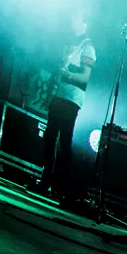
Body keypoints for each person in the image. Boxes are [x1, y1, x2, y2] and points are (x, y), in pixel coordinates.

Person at [37, 13, 96, 200]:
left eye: (76, 19)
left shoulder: (88, 48)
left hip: (71, 99)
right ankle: (46, 181)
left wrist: (66, 74)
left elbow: (85, 77)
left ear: (85, 24)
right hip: (60, 95)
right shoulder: (72, 45)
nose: (72, 21)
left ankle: (64, 188)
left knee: (63, 141)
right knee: (50, 136)